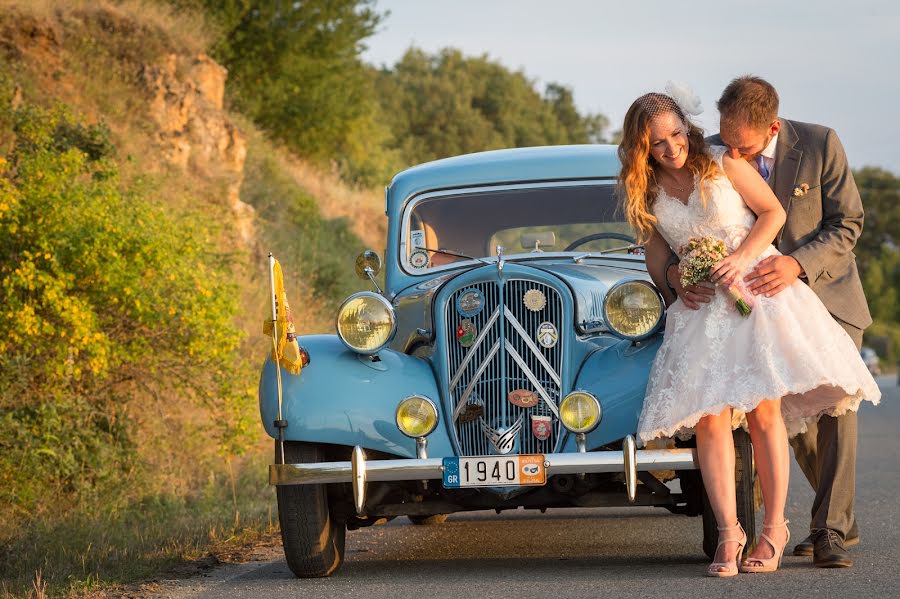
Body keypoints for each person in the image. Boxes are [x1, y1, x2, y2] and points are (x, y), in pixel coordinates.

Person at [618, 89, 881, 577]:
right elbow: (657, 256)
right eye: (657, 143)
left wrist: (740, 258)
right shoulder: (645, 190)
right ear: (641, 148)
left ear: (687, 128)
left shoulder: (719, 161)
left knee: (765, 414)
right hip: (701, 311)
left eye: (676, 134)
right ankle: (729, 532)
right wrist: (676, 279)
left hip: (757, 294)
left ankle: (777, 528)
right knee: (709, 421)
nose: (672, 147)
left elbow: (774, 213)